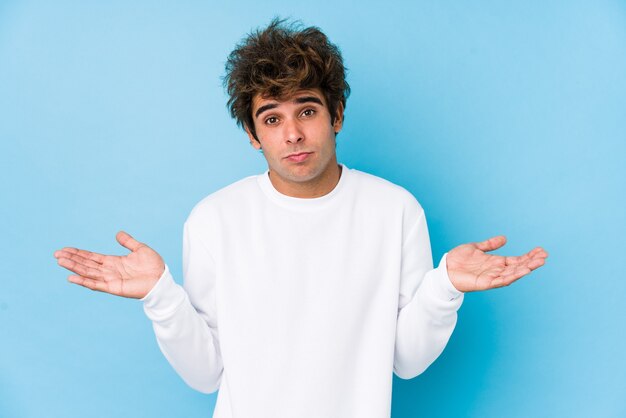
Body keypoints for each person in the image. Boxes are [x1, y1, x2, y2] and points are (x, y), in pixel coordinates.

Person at [54, 18, 548, 418]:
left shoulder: (394, 210)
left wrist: (445, 287)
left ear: (336, 114)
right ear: (253, 135)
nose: (292, 134)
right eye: (271, 118)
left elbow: (406, 361)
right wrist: (161, 296)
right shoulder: (214, 219)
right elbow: (206, 373)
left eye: (306, 111)